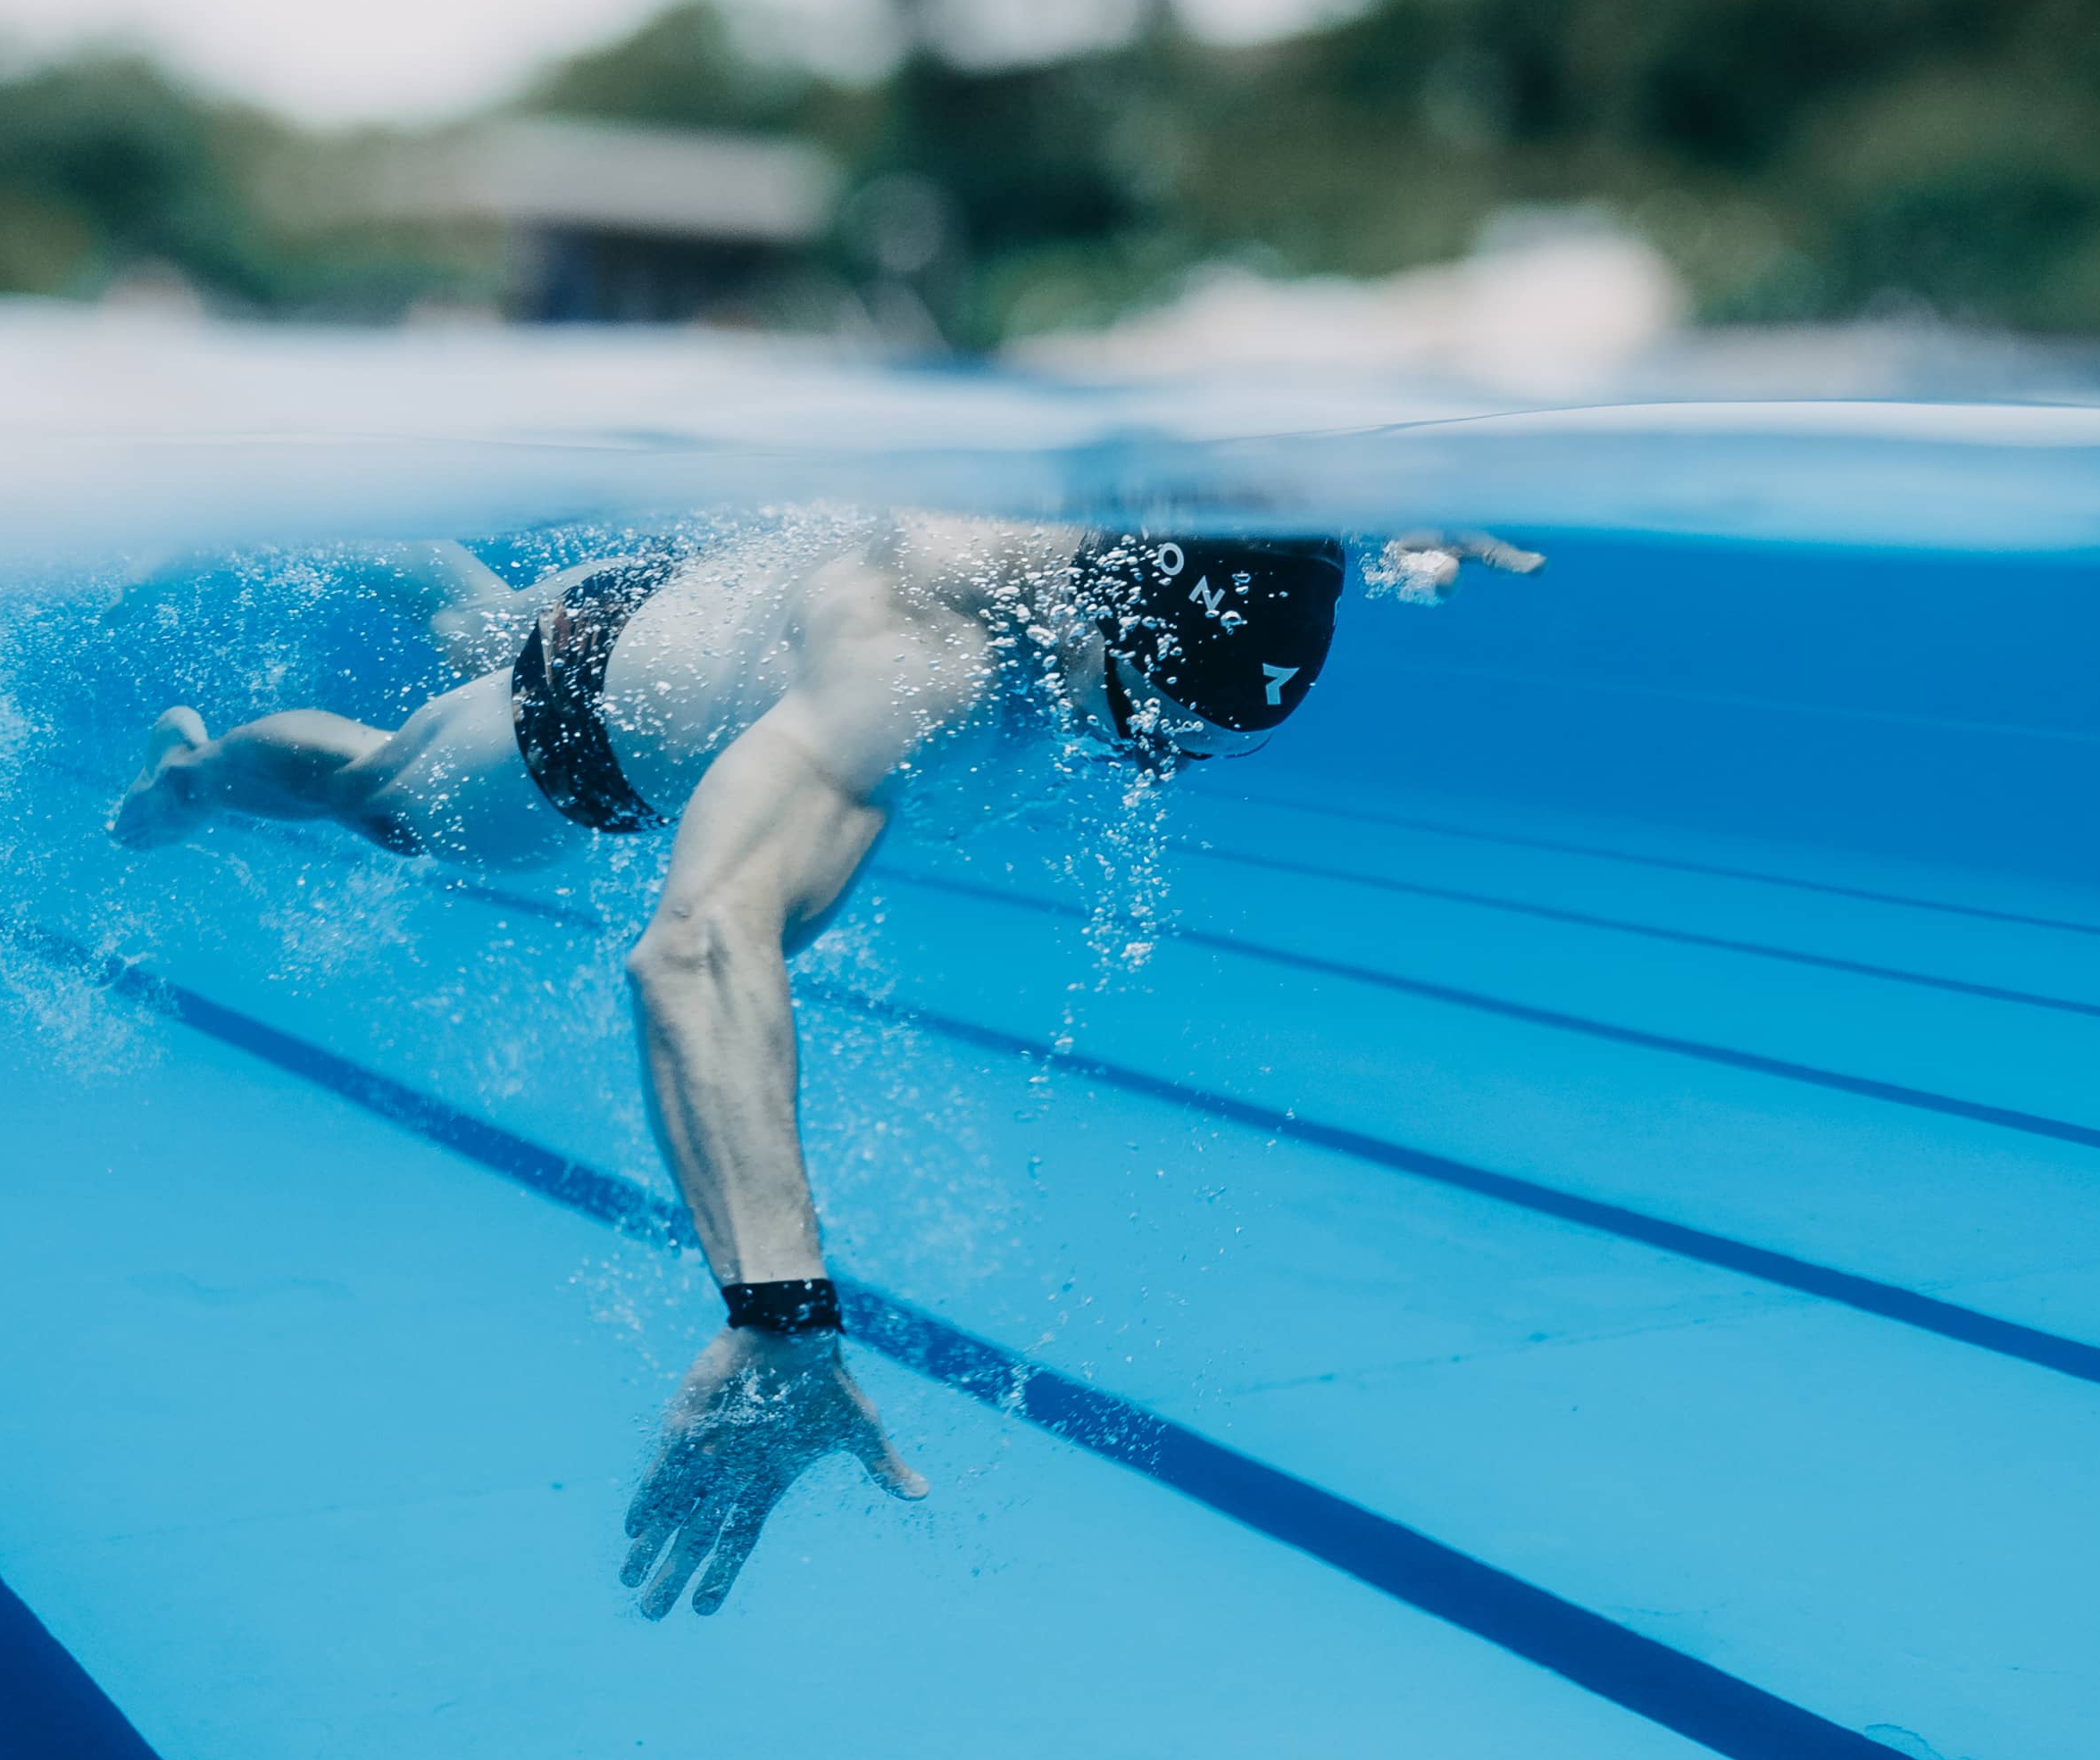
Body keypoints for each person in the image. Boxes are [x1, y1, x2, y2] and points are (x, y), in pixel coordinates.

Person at [112, 513, 1538, 1615]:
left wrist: (1390, 540)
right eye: (1146, 729)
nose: (1151, 766)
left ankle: (437, 578)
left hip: (710, 594)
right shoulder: (923, 662)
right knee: (389, 797)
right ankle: (193, 779)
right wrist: (781, 1318)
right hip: (603, 718)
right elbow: (696, 948)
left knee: (491, 623)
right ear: (1102, 632)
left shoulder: (1176, 545)